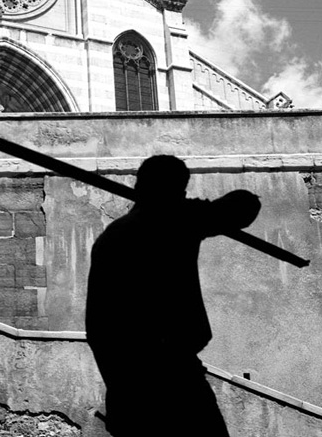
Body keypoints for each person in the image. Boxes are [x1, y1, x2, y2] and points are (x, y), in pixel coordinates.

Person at [85, 155, 261, 436]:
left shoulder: (113, 237)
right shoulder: (180, 221)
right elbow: (245, 206)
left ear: (138, 185)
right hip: (176, 380)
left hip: (132, 389)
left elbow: (97, 329)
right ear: (179, 191)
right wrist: (189, 209)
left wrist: (119, 389)